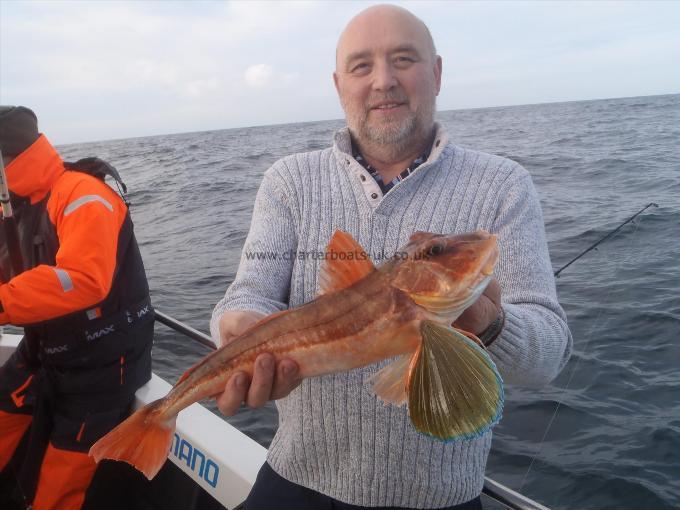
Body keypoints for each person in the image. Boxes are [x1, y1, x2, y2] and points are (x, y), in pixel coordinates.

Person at [211, 4, 572, 509]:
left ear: (437, 73)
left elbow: (550, 352)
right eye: (362, 66)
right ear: (339, 85)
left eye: (404, 59)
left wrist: (490, 323)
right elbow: (250, 290)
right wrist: (238, 326)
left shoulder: (503, 185)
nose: (383, 81)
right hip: (295, 479)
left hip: (440, 497)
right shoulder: (289, 181)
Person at [0, 106, 153, 510]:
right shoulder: (13, 205)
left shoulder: (82, 195)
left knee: (59, 488)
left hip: (103, 365)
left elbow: (85, 279)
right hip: (45, 349)